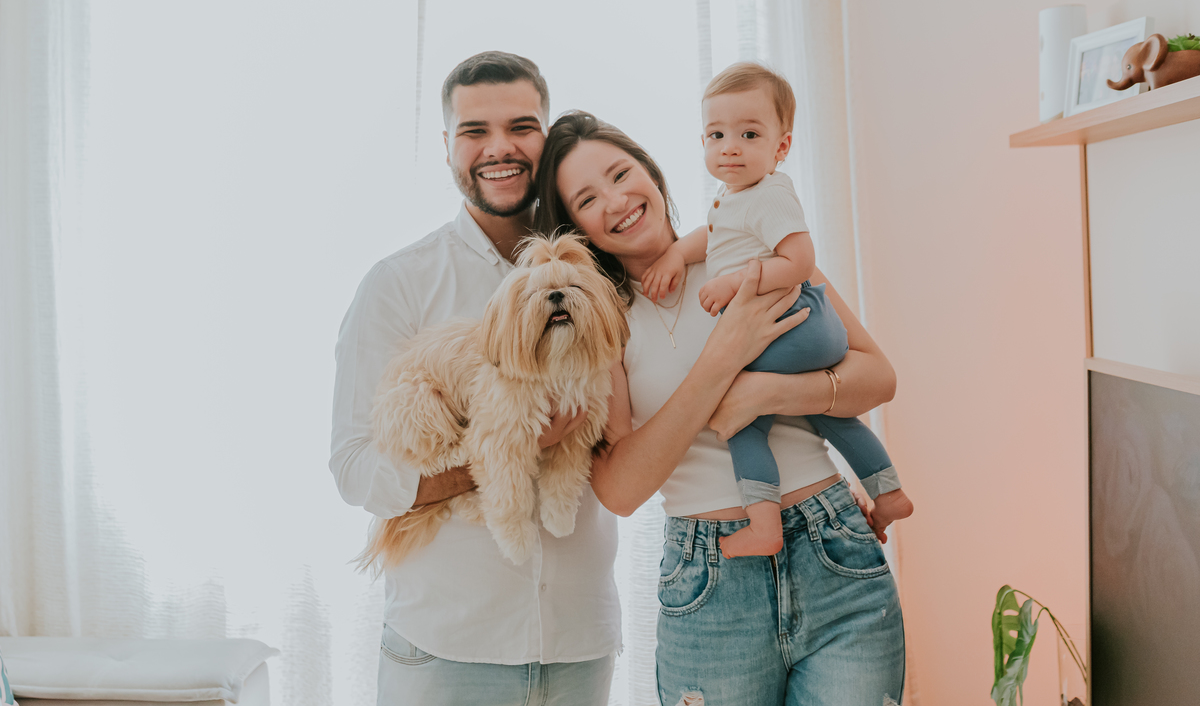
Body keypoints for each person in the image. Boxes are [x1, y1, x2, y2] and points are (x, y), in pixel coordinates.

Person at [534, 111, 906, 705]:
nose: (616, 200)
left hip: (832, 545)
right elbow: (622, 491)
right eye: (586, 198)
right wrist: (721, 360)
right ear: (575, 226)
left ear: (650, 172)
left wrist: (765, 394)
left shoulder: (752, 253)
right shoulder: (604, 325)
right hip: (711, 579)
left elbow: (876, 376)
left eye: (621, 173)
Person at [330, 52, 619, 705]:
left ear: (548, 138)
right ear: (447, 145)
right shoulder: (399, 285)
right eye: (474, 131)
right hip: (446, 650)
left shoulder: (601, 272)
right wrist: (504, 455)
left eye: (522, 126)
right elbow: (353, 466)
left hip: (578, 643)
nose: (499, 148)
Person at [640, 62, 913, 559]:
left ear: (781, 147)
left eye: (748, 134)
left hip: (793, 325)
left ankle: (763, 526)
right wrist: (679, 253)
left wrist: (734, 282)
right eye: (716, 134)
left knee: (742, 424)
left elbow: (800, 260)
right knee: (831, 418)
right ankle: (888, 493)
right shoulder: (736, 198)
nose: (730, 147)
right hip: (803, 328)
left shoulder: (771, 195)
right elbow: (716, 236)